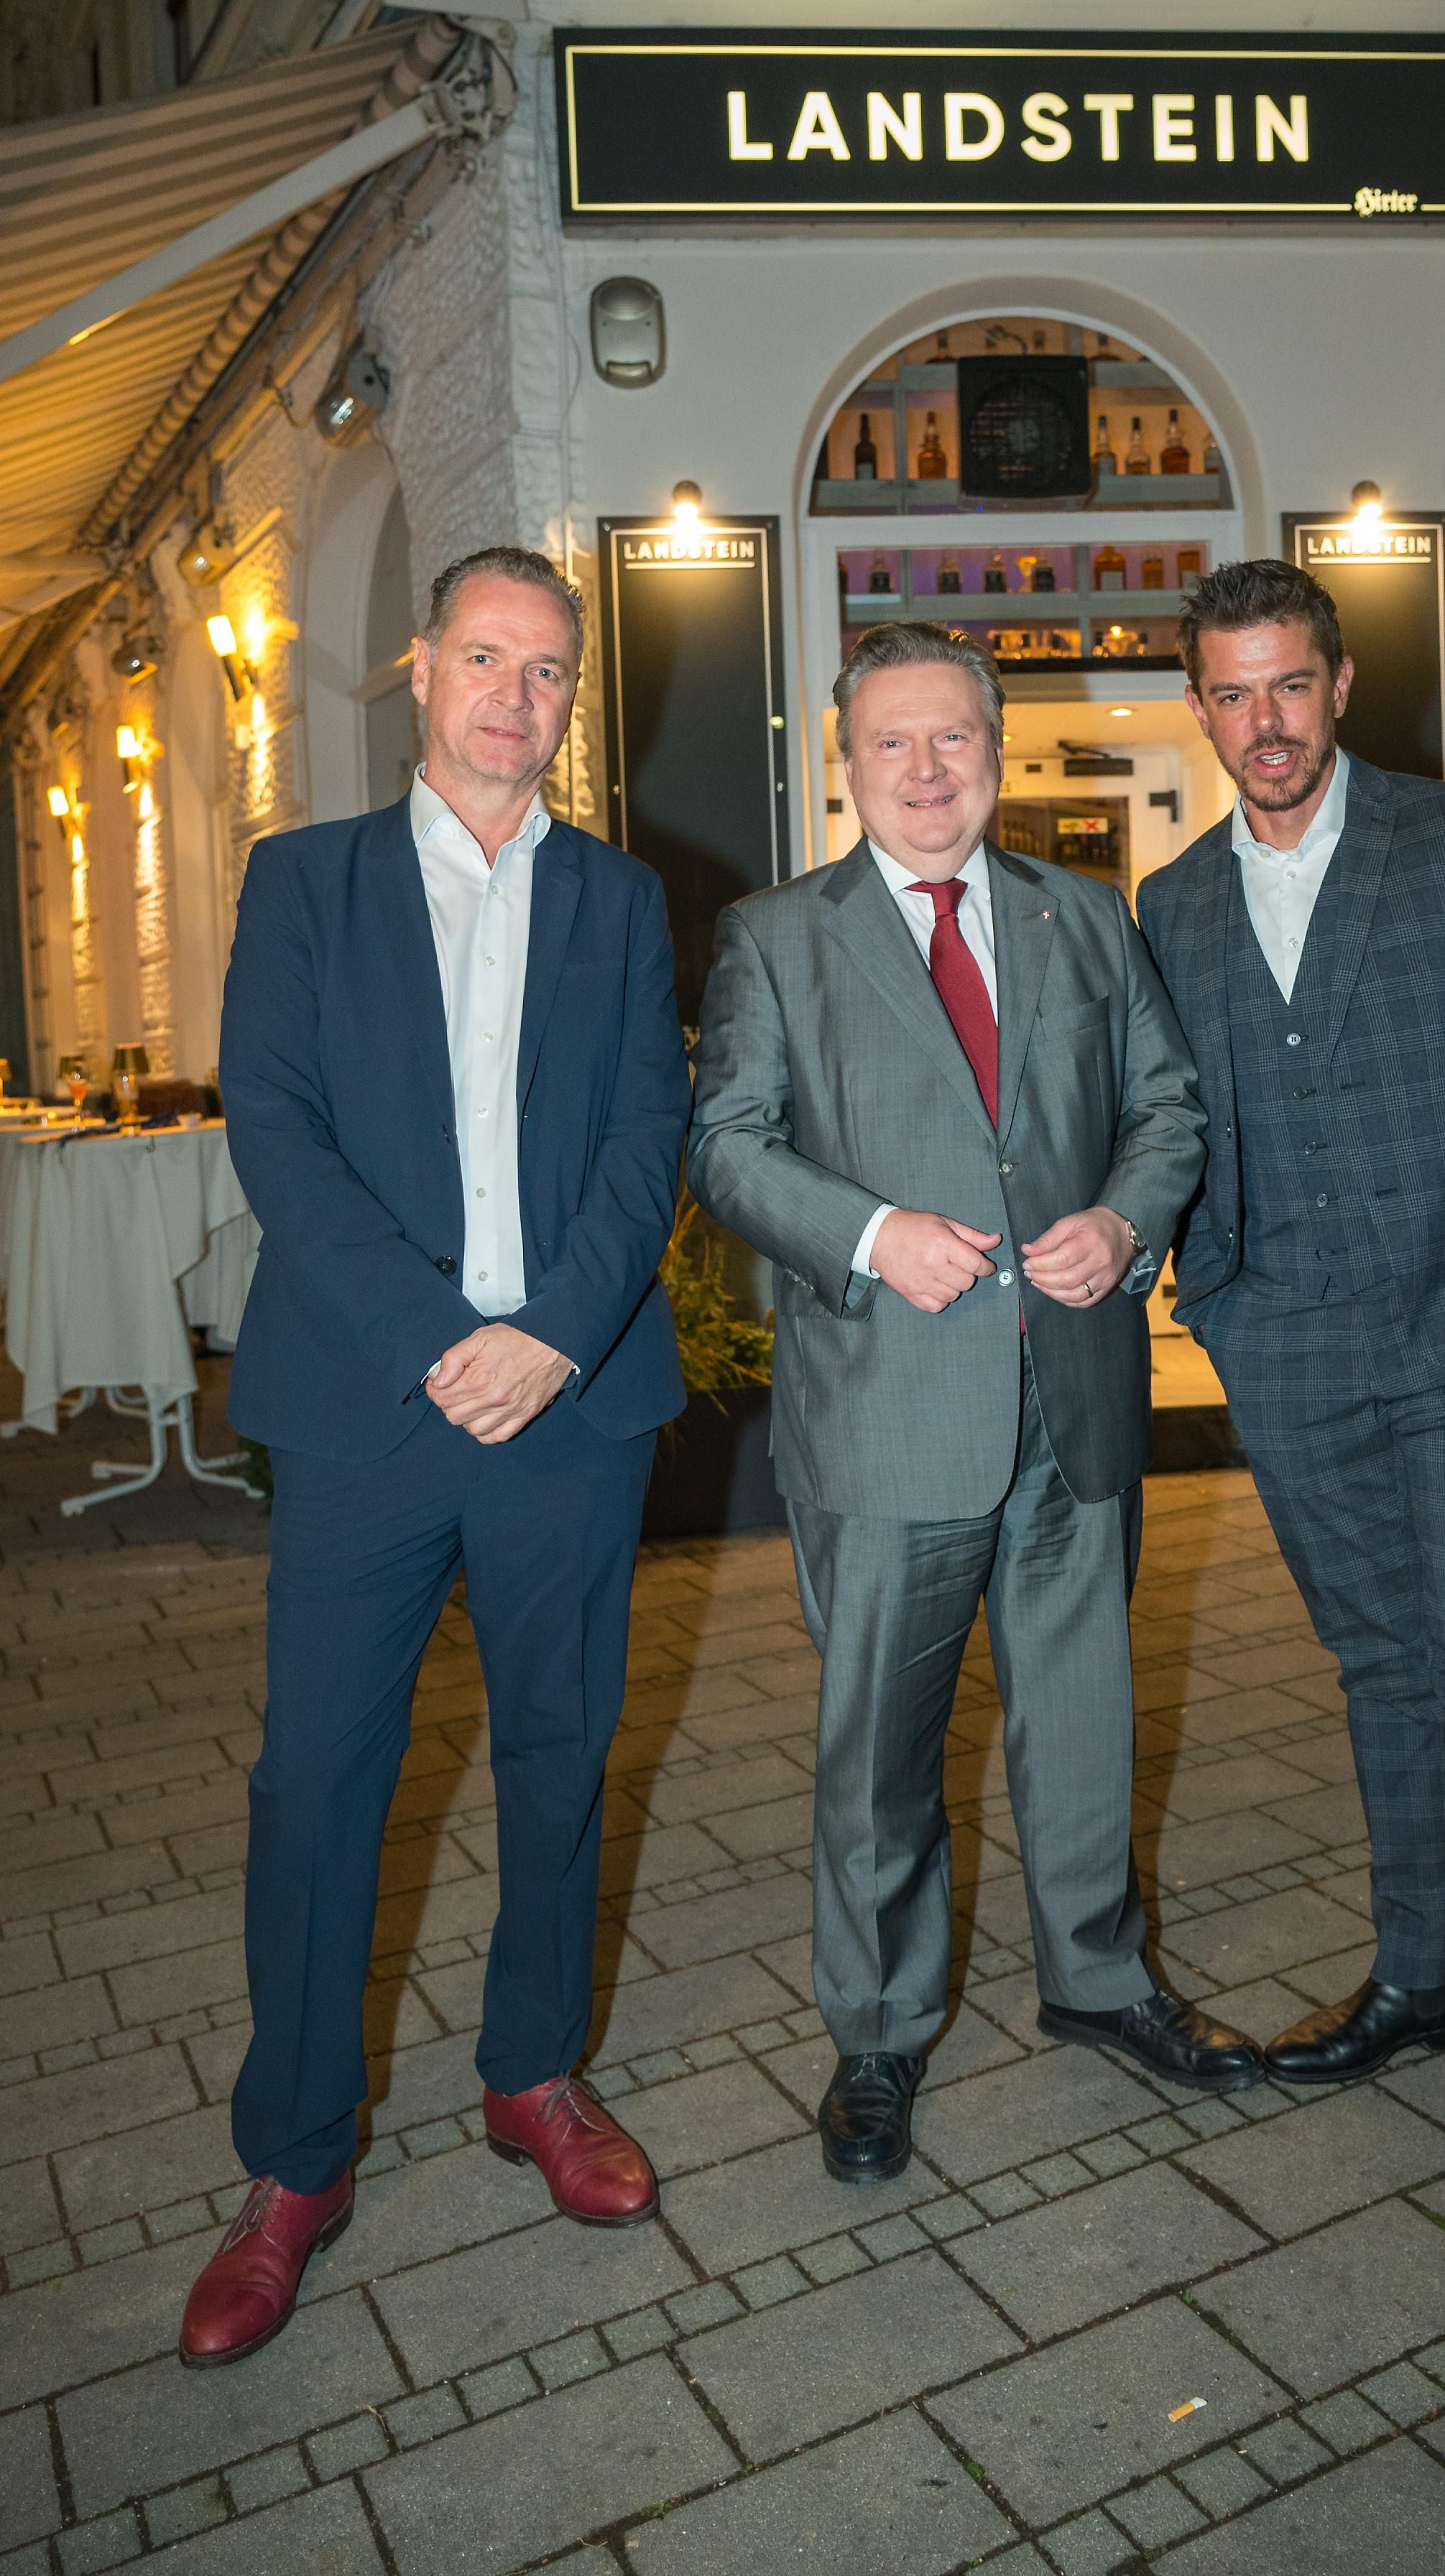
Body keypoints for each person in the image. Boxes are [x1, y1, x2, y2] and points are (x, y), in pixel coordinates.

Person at [181, 546, 688, 2368]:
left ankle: (532, 2074)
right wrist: (437, 1341)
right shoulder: (303, 883)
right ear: (419, 670)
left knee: (559, 1750)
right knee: (318, 1781)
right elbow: (280, 1134)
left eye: (547, 672)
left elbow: (649, 1135)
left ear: (568, 700)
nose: (513, 695)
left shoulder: (622, 902)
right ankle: (293, 2161)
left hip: (569, 1400)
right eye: (485, 657)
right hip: (368, 1406)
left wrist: (550, 1334)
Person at [688, 621, 1257, 2184]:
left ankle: (1097, 1976)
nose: (926, 770)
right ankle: (877, 2029)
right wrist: (872, 1235)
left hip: (1072, 1392)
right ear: (843, 759)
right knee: (880, 1749)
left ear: (993, 754)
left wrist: (1125, 1219)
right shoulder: (775, 934)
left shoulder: (1082, 916)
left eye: (952, 739)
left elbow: (1165, 1106)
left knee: (1079, 1710)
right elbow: (728, 1145)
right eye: (893, 742)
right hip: (884, 1410)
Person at [1137, 558, 1445, 2263]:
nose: (1260, 722)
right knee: (1380, 1669)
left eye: (1287, 685)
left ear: (1337, 684)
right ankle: (1422, 1976)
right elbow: (1175, 1120)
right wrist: (1202, 1284)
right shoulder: (1173, 901)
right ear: (1194, 705)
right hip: (1287, 1355)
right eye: (1228, 692)